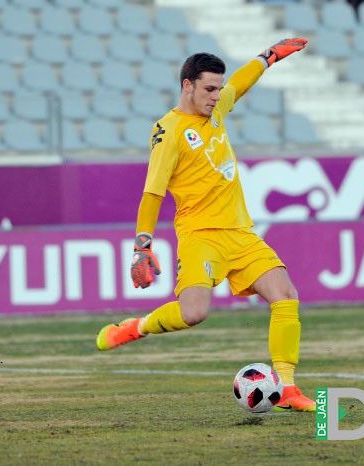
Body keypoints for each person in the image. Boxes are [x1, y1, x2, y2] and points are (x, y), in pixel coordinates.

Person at [95, 39, 316, 411]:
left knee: (286, 295)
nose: (217, 96)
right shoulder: (169, 131)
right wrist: (142, 246)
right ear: (188, 86)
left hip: (240, 232)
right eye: (209, 89)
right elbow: (153, 194)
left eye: (218, 88)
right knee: (193, 313)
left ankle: (288, 389)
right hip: (200, 235)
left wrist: (268, 57)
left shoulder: (216, 110)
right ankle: (135, 328)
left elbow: (240, 85)